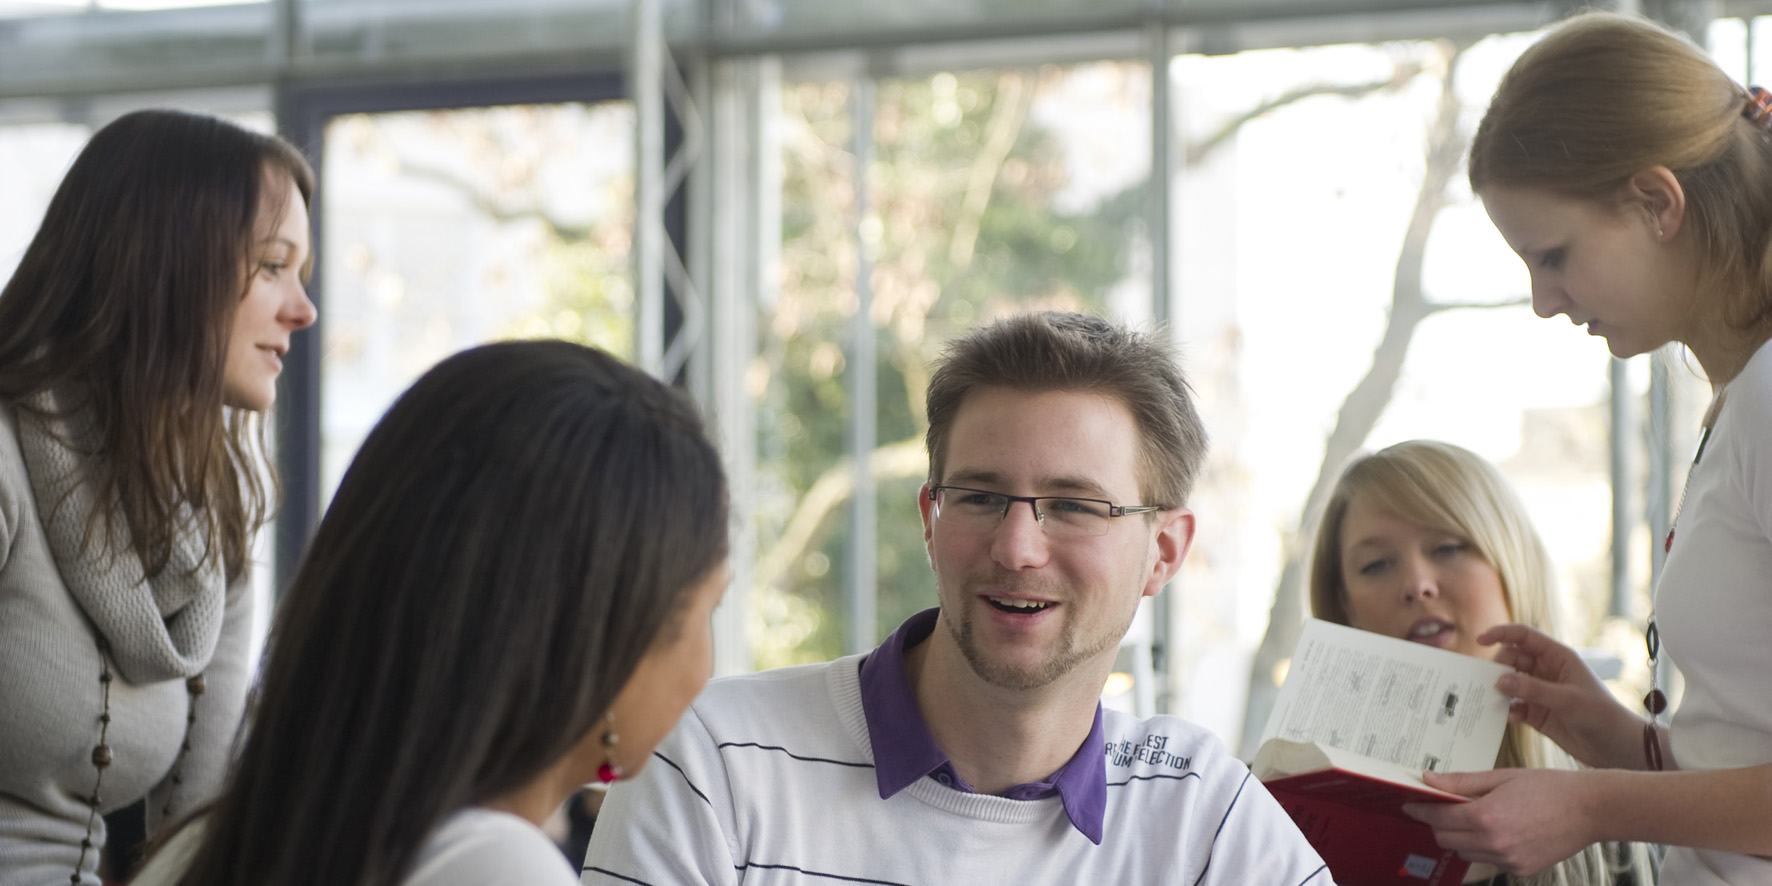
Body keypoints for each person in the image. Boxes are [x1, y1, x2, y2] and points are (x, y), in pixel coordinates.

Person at [584, 312, 1330, 885]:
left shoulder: (1203, 815)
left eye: (1073, 506)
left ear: (1163, 552)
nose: (1016, 547)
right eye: (979, 496)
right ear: (929, 520)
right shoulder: (715, 762)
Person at [127, 339, 731, 885]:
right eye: (709, 609)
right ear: (609, 641)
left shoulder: (206, 846)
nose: (708, 667)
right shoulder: (497, 870)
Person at [1404, 10, 1772, 884]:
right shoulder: (1738, 399)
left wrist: (1590, 803)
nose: (1544, 300)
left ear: (1656, 202)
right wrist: (1615, 738)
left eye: (1555, 255)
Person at [0, 108, 317, 886]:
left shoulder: (215, 522)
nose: (302, 310)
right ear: (169, 263)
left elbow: (194, 836)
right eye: (273, 266)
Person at [1310, 439, 1651, 886]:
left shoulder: (1620, 810)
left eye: (1447, 548)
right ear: (1344, 605)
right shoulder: (1277, 811)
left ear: (1512, 561)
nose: (1417, 584)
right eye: (1376, 565)